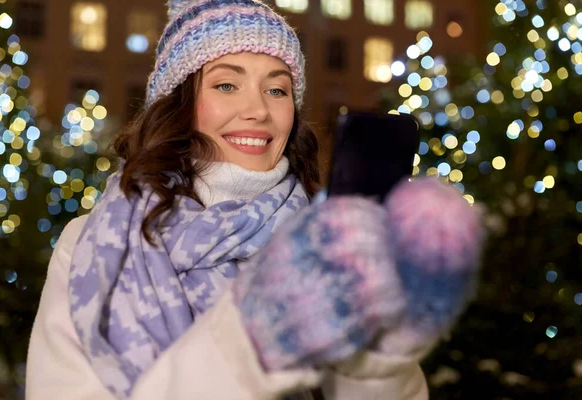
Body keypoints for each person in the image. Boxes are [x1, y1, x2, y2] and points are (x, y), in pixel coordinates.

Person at [26, 0, 485, 399]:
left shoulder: (323, 243)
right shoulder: (94, 245)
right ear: (179, 104)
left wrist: (382, 359)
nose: (259, 110)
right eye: (227, 84)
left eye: (277, 89)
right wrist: (251, 340)